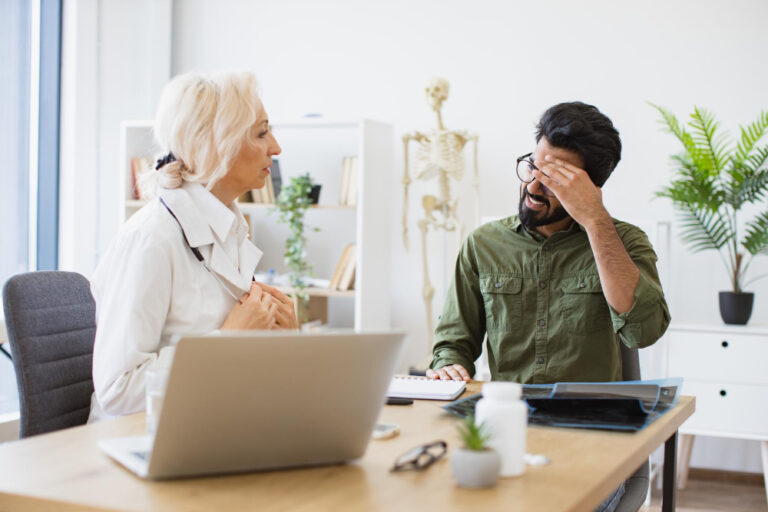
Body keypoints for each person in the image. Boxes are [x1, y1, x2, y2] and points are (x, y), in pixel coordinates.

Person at [427, 101, 670, 511]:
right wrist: (448, 364)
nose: (534, 187)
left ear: (590, 187)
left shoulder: (624, 243)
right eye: (533, 166)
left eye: (555, 179)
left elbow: (643, 331)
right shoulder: (483, 245)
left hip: (591, 439)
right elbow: (453, 344)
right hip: (506, 428)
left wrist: (594, 219)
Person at [88, 71, 298, 422]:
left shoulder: (230, 229)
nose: (276, 148)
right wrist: (226, 343)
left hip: (212, 424)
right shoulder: (151, 239)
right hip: (141, 443)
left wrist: (279, 339)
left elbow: (234, 363)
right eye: (261, 133)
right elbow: (117, 390)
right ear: (217, 143)